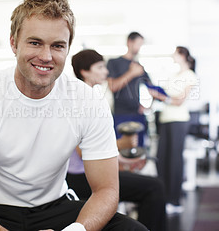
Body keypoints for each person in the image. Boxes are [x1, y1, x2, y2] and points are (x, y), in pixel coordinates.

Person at [0, 0, 147, 231]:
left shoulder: (89, 102)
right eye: (35, 42)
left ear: (68, 49)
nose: (46, 56)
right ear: (13, 43)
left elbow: (107, 190)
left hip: (55, 207)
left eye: (57, 46)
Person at [67, 49, 167, 231]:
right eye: (100, 67)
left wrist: (124, 161)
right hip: (80, 178)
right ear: (85, 72)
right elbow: (84, 152)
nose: (106, 71)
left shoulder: (93, 99)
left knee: (154, 184)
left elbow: (97, 152)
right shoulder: (79, 101)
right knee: (153, 188)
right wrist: (123, 144)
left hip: (92, 173)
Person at [151, 46, 198, 214]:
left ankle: (175, 200)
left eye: (175, 53)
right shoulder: (173, 76)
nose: (172, 55)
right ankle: (163, 198)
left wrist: (162, 97)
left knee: (174, 161)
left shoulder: (190, 75)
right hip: (165, 120)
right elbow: (168, 96)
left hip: (179, 121)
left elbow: (179, 101)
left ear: (183, 55)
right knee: (162, 159)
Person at [106, 32, 152, 148]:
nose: (139, 48)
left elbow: (152, 89)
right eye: (138, 44)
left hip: (138, 115)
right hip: (120, 114)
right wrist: (131, 73)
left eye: (141, 44)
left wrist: (148, 105)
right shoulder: (114, 63)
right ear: (129, 42)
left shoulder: (139, 66)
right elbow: (113, 87)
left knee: (138, 150)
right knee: (120, 150)